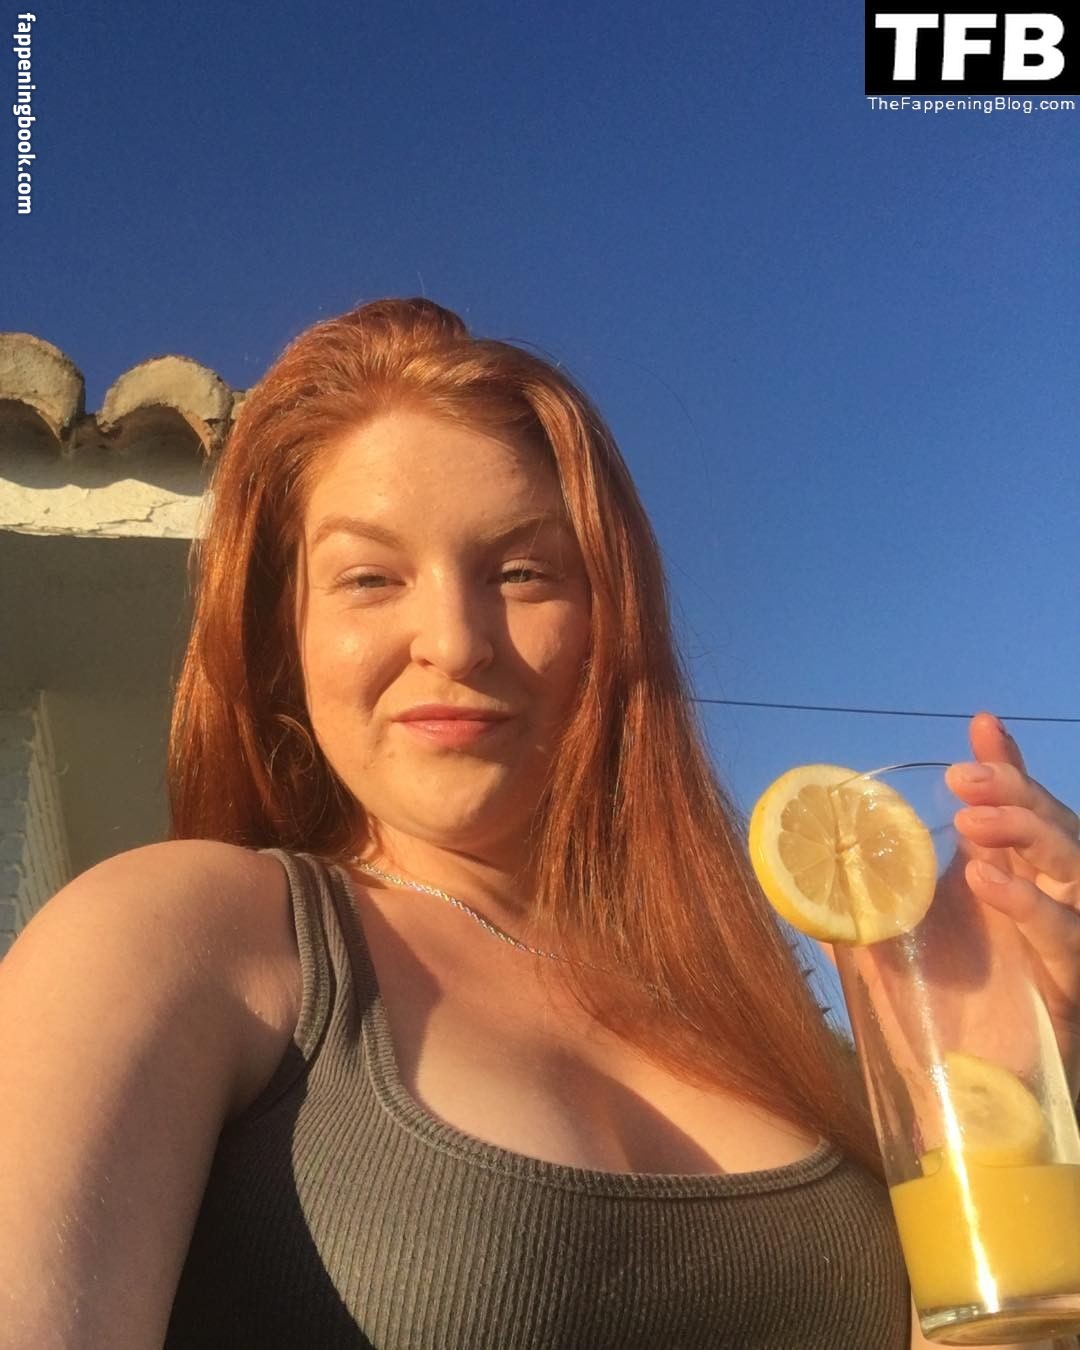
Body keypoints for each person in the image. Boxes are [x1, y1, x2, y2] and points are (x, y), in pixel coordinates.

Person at [1, 298, 1077, 1350]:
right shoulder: (177, 937)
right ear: (288, 640)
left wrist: (987, 1084)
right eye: (369, 577)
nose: (455, 640)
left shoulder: (755, 1021)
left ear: (609, 622)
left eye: (522, 572)